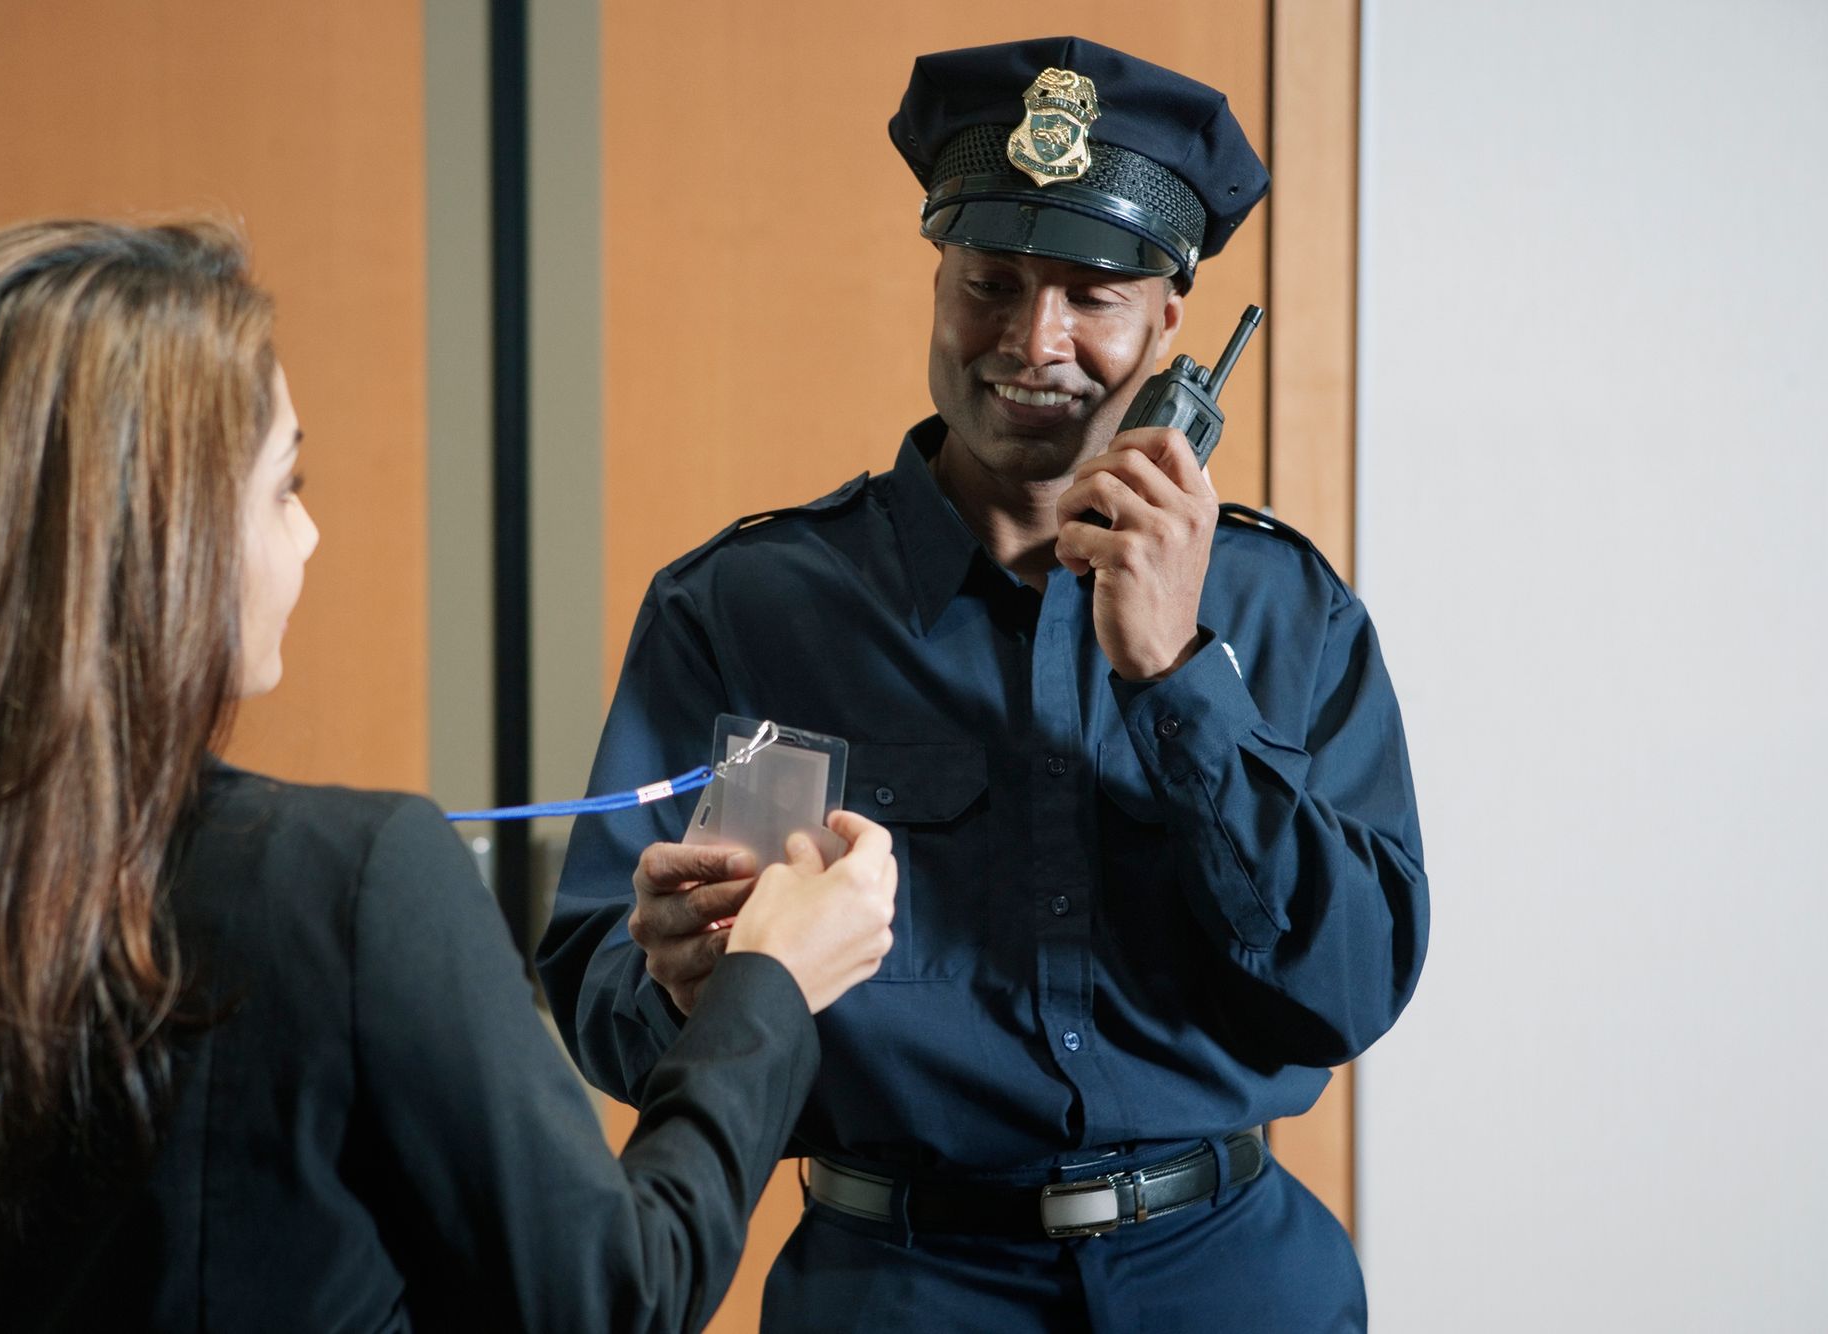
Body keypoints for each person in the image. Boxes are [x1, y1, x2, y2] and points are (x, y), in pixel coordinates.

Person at [541, 35, 1430, 1331]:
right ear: (939, 282)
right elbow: (600, 987)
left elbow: (1351, 986)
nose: (1034, 338)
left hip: (1228, 1278)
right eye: (990, 282)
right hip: (893, 1282)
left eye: (1092, 292)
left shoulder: (1284, 608)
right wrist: (676, 986)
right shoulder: (741, 606)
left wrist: (1177, 674)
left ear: (1172, 323)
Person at [0, 220, 897, 1333]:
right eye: (287, 483)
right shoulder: (344, 880)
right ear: (162, 533)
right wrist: (770, 983)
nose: (314, 531)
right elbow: (614, 1296)